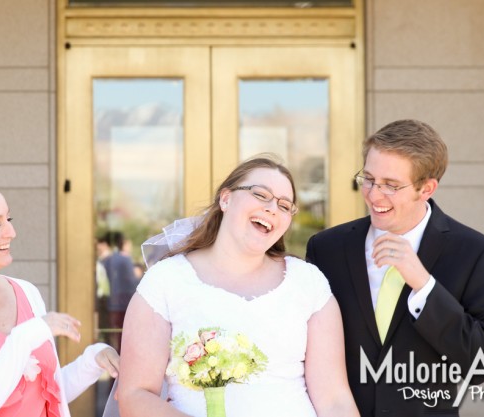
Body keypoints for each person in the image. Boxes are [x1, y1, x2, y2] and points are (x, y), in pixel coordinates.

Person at [117, 156, 360, 417]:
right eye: (260, 194)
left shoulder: (309, 284)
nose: (272, 208)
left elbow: (335, 400)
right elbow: (135, 395)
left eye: (284, 205)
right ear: (226, 198)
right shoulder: (166, 280)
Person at [306, 119, 484, 416]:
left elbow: (482, 364)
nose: (374, 195)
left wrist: (425, 287)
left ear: (426, 188)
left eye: (391, 185)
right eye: (369, 179)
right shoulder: (326, 249)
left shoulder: (475, 252)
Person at [0, 174, 120, 417]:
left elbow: (46, 391)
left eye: (8, 218)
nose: (11, 232)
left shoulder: (26, 293)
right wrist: (27, 335)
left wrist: (93, 360)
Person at [100, 231, 138, 353]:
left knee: (113, 334)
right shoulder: (125, 259)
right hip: (125, 301)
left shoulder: (107, 259)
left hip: (112, 301)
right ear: (125, 243)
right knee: (124, 334)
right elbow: (131, 281)